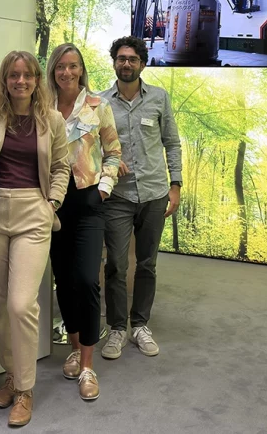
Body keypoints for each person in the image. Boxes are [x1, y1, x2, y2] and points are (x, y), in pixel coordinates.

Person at [0, 51, 70, 427]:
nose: (20, 81)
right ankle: (11, 374)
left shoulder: (52, 119)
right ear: (5, 78)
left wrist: (52, 203)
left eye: (27, 75)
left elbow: (62, 166)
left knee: (21, 305)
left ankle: (26, 388)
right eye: (13, 75)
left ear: (36, 80)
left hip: (34, 210)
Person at [47, 43, 122, 401]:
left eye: (73, 66)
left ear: (81, 70)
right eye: (61, 66)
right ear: (53, 70)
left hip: (89, 201)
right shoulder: (39, 106)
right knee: (63, 281)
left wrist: (104, 189)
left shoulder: (98, 105)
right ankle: (75, 348)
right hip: (52, 204)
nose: (67, 72)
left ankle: (89, 366)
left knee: (86, 281)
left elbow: (114, 151)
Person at [99, 36, 182, 361]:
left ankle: (140, 325)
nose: (127, 64)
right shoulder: (101, 102)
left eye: (133, 58)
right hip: (117, 196)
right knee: (116, 265)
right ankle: (118, 328)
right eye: (121, 58)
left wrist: (175, 185)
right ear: (115, 63)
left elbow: (172, 144)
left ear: (143, 63)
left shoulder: (159, 98)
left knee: (147, 264)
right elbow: (89, 146)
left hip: (154, 194)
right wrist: (104, 163)